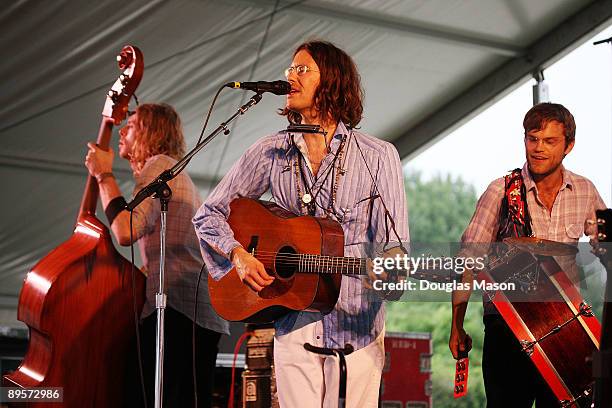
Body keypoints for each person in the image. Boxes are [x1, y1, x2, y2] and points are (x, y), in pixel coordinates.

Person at [193, 40, 408, 407]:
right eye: (290, 69)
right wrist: (239, 255)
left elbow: (396, 247)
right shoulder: (269, 151)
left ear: (332, 81)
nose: (290, 76)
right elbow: (208, 214)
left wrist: (392, 275)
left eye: (302, 69)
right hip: (292, 322)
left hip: (356, 329)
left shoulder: (377, 156)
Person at [449, 102, 607, 407]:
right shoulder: (500, 190)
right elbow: (467, 261)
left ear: (568, 146)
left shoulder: (585, 190)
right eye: (532, 139)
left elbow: (605, 247)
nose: (538, 148)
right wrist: (457, 325)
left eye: (550, 141)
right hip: (507, 329)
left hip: (566, 331)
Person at [84, 103, 229, 408]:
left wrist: (104, 175)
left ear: (152, 132)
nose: (122, 130)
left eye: (132, 124)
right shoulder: (170, 171)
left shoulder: (159, 165)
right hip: (193, 309)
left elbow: (126, 229)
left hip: (177, 306)